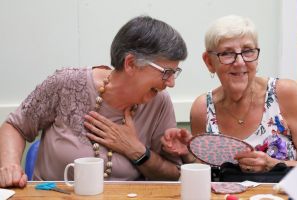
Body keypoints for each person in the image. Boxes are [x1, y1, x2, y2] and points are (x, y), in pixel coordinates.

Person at [0, 15, 187, 188]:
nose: (171, 83)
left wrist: (137, 151)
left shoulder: (159, 103)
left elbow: (171, 175)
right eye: (166, 73)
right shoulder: (66, 84)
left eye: (174, 73)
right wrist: (10, 165)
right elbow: (15, 126)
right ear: (131, 63)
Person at [161, 15, 297, 174]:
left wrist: (274, 165)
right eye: (227, 53)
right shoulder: (203, 108)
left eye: (248, 51)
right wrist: (186, 154)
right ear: (209, 62)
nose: (239, 62)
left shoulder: (284, 93)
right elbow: (206, 170)